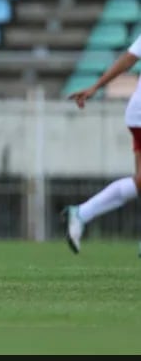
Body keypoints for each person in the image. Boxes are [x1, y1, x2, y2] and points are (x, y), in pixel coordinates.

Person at [63, 32, 141, 254]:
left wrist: (95, 87)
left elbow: (129, 58)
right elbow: (128, 59)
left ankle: (81, 214)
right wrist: (95, 87)